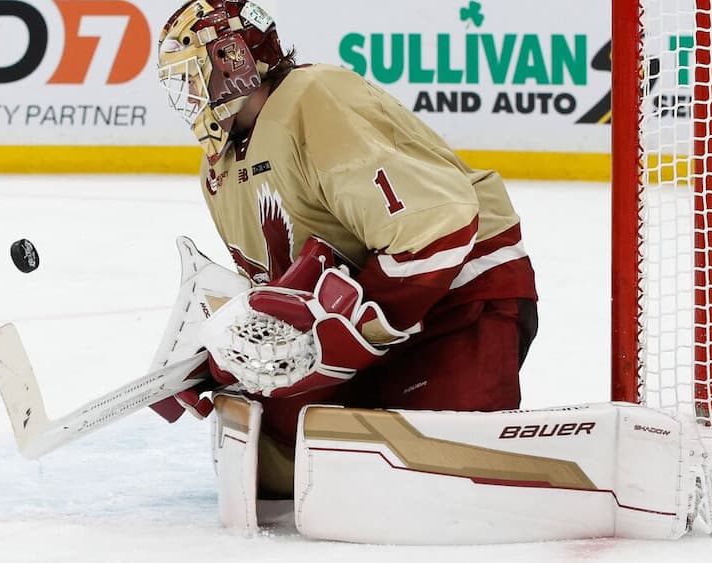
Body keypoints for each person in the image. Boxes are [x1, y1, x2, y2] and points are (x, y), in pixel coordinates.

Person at [152, 0, 538, 499]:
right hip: (359, 328)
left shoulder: (314, 99)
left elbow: (436, 231)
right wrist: (225, 356)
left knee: (448, 479)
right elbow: (275, 294)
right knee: (269, 471)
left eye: (192, 75)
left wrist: (350, 328)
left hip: (453, 301)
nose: (187, 95)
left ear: (232, 58)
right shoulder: (217, 173)